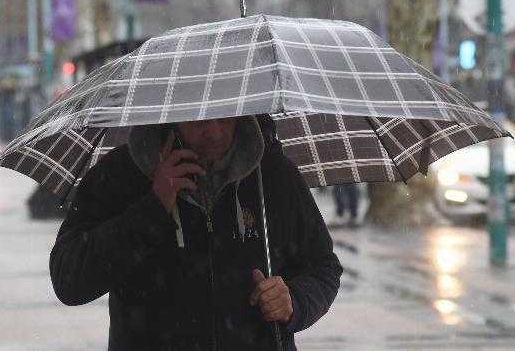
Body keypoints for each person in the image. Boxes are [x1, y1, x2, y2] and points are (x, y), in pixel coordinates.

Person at [50, 115, 342, 350]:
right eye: (200, 120)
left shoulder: (272, 173)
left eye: (225, 118)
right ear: (172, 115)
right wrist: (153, 207)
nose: (214, 133)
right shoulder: (120, 175)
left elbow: (323, 267)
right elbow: (69, 279)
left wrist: (294, 300)